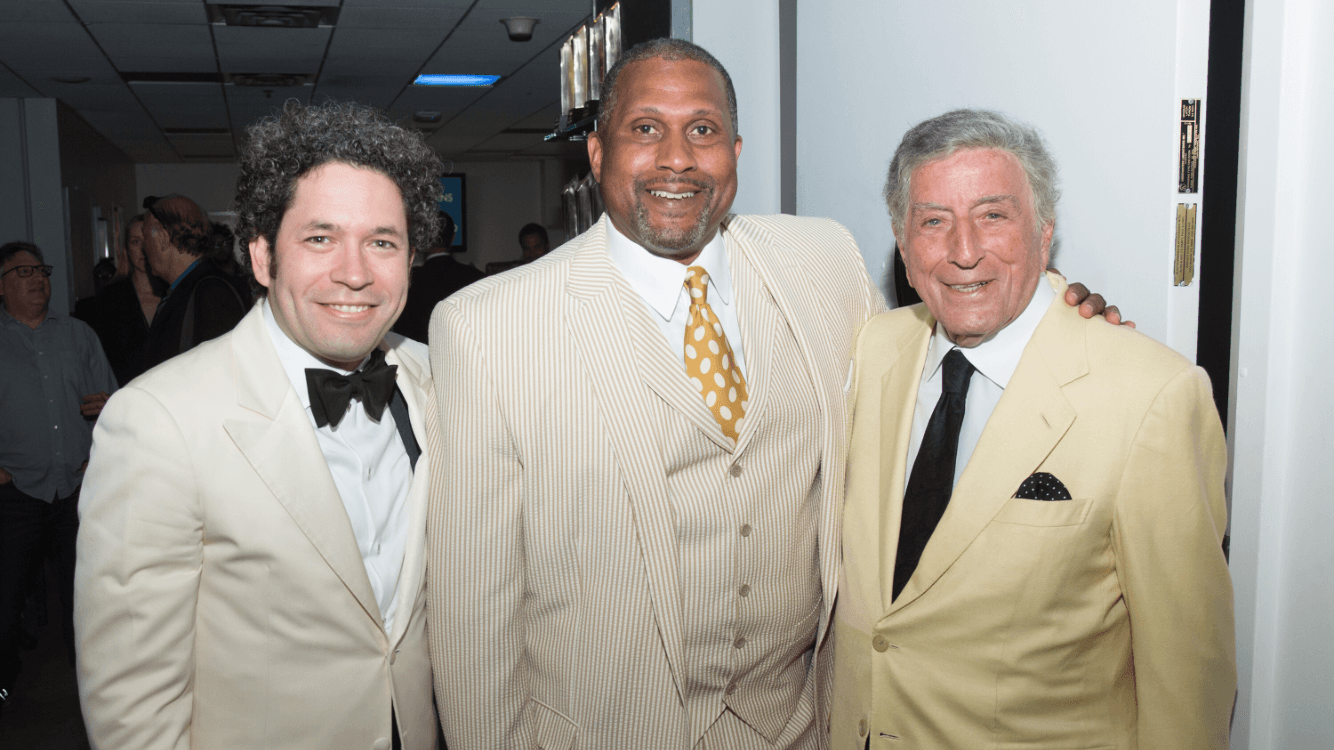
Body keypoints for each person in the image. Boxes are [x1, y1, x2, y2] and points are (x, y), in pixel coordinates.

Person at [426, 40, 1117, 749]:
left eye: (703, 130)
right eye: (644, 129)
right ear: (597, 153)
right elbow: (472, 612)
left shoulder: (823, 261)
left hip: (802, 724)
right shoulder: (487, 328)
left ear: (736, 149)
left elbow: (929, 354)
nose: (677, 157)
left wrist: (1054, 311)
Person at [830, 109, 1235, 749]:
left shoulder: (1151, 395)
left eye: (994, 216)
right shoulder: (870, 351)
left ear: (1044, 233)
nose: (964, 252)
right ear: (903, 246)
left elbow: (1188, 679)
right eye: (934, 221)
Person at [76, 101, 443, 750]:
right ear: (263, 257)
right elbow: (133, 706)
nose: (355, 273)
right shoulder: (158, 421)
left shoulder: (439, 379)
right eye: (320, 238)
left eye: (382, 242)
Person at [0, 242, 116, 719]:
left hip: (75, 487)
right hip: (17, 493)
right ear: (2, 284)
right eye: (22, 271)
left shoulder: (78, 334)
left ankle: (90, 690)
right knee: (6, 601)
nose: (36, 279)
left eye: (41, 270)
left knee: (83, 598)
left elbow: (111, 401)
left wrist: (101, 434)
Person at [140, 193, 249, 369]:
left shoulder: (212, 293)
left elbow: (219, 376)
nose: (143, 247)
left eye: (145, 238)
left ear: (162, 239)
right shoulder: (190, 289)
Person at [74, 214, 160, 385]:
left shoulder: (177, 294)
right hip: (122, 395)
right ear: (126, 248)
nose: (143, 248)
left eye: (148, 239)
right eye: (135, 241)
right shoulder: (108, 299)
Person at [393, 211, 483, 342]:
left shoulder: (407, 281)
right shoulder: (476, 278)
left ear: (423, 240)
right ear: (453, 238)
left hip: (416, 359)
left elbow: (400, 331)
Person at [484, 222, 552, 275]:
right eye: (527, 249)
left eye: (537, 247)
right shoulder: (515, 276)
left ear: (547, 246)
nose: (532, 253)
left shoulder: (557, 272)